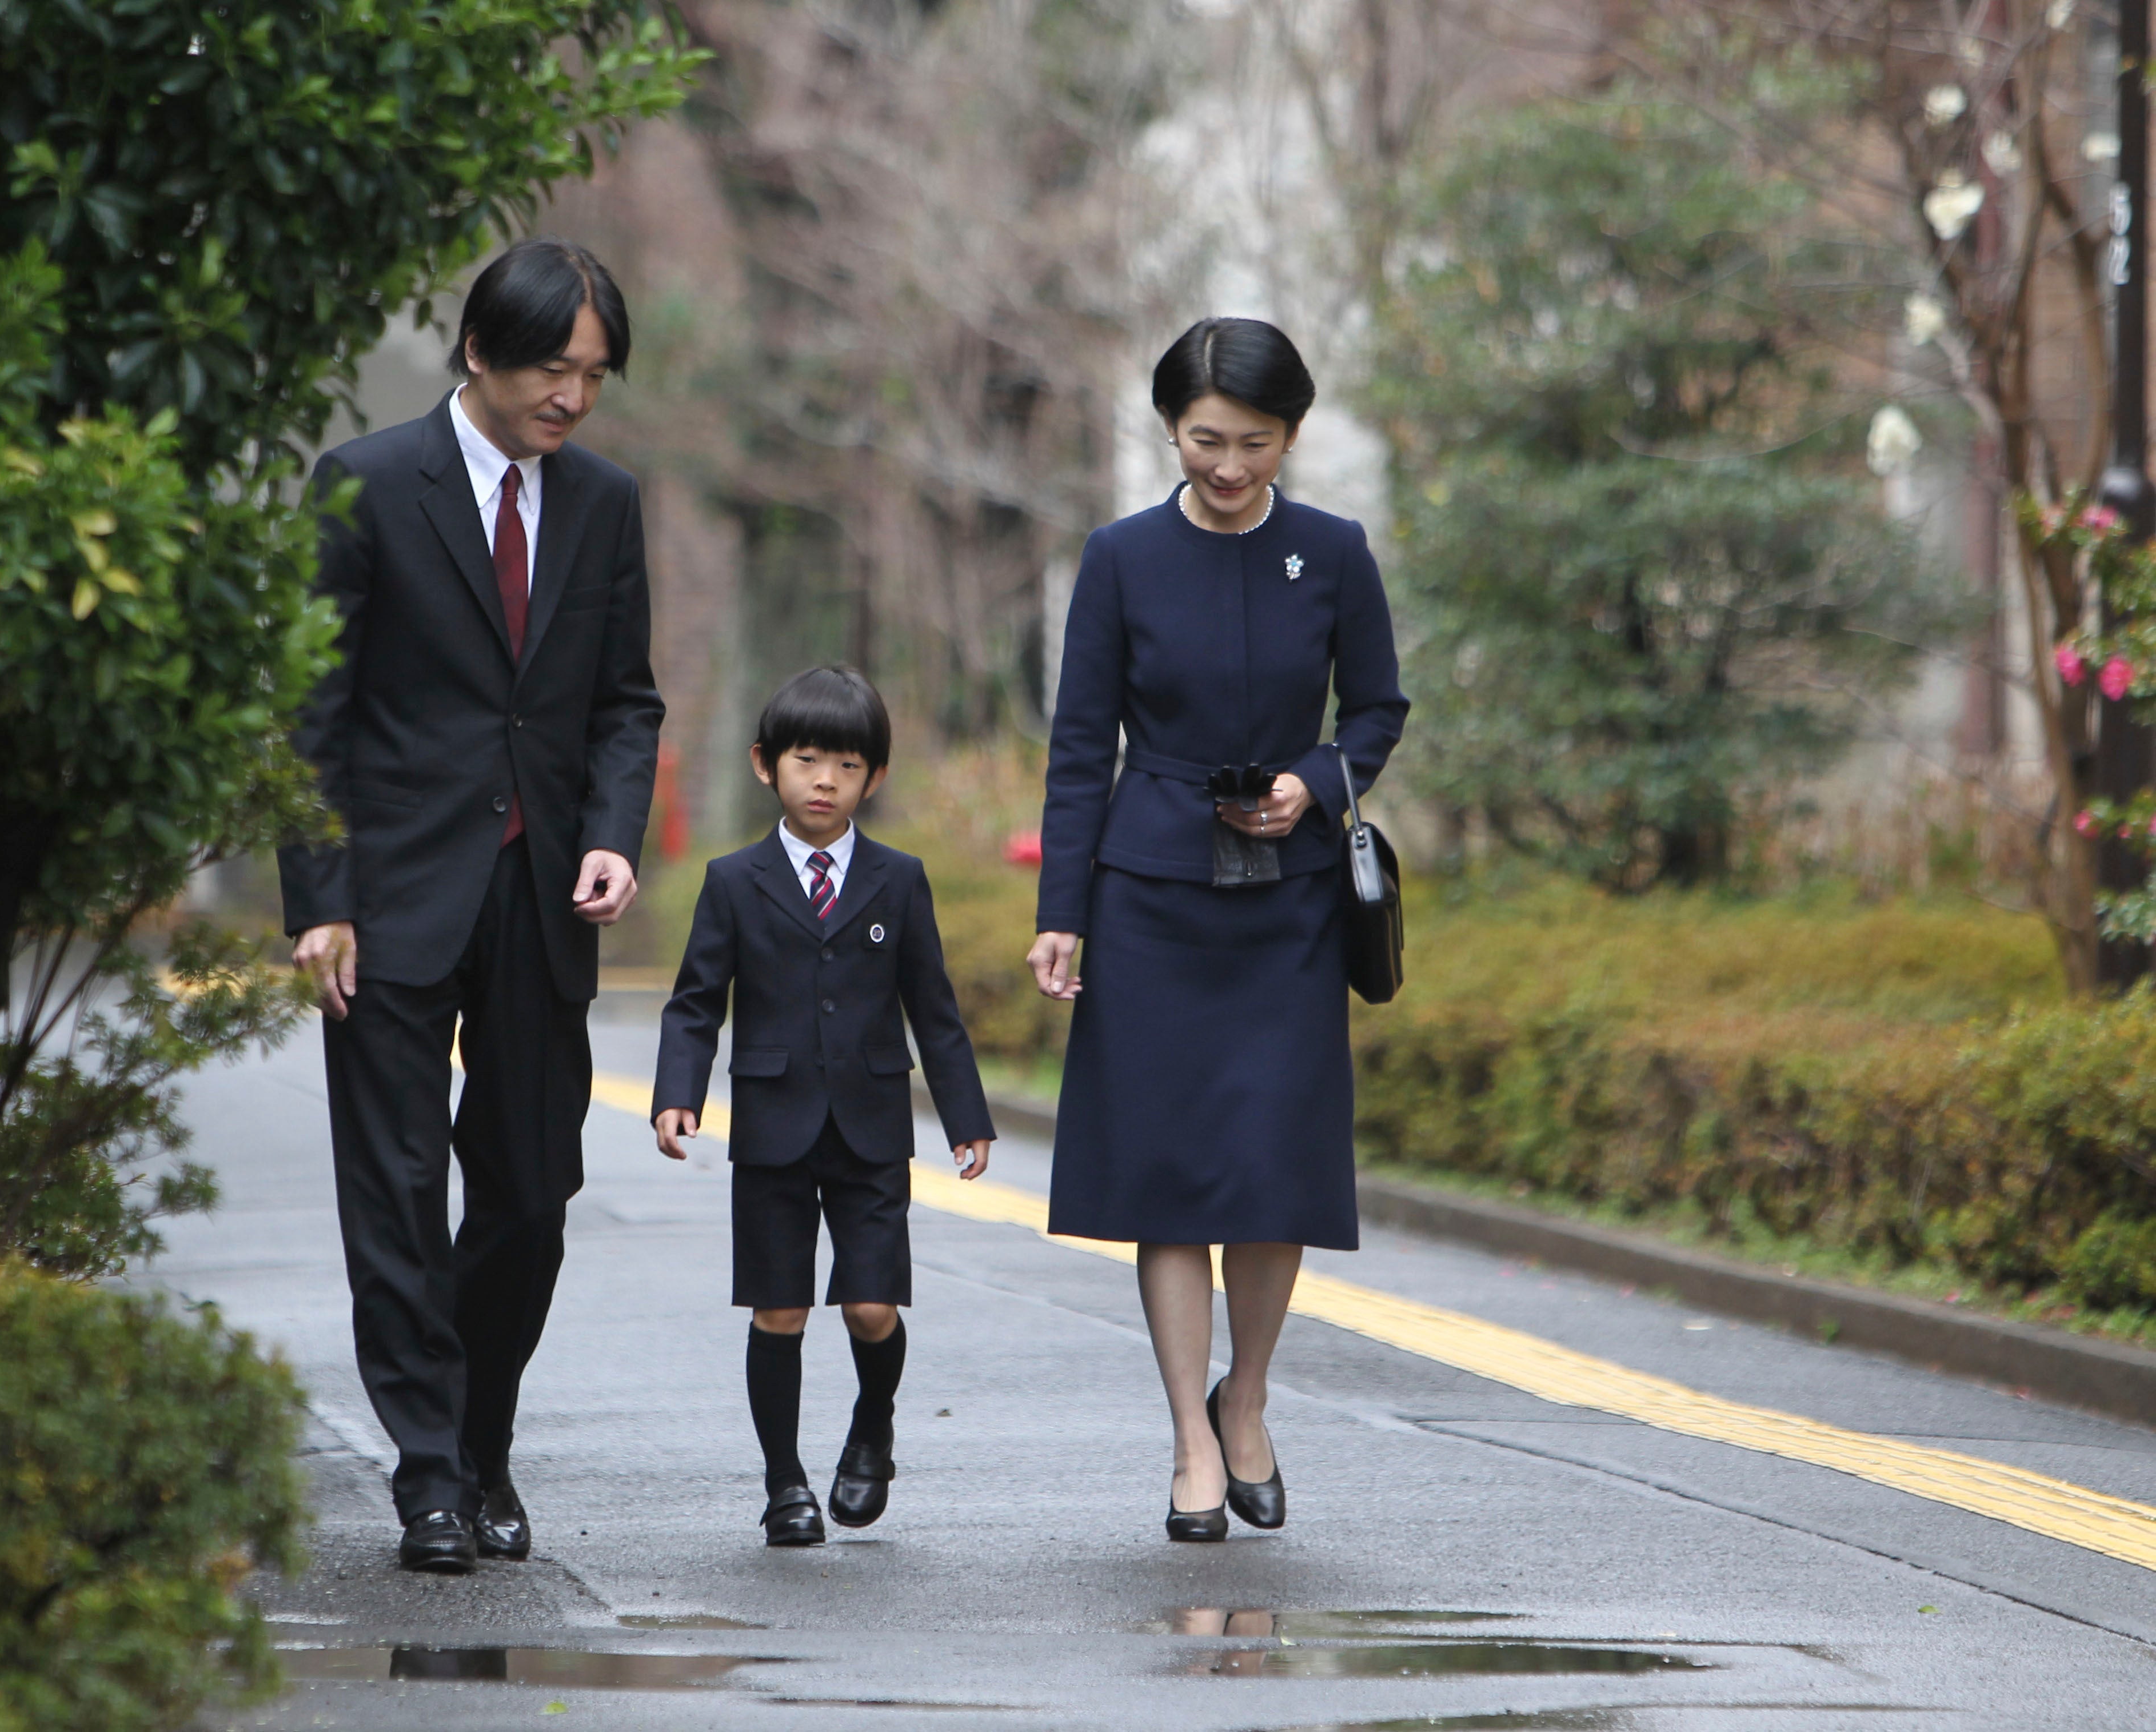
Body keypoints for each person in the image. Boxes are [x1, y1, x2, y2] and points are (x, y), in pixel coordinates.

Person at [281, 237, 664, 1575]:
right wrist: (318, 897)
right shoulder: (369, 485)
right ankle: (431, 1479)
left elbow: (626, 700)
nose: (572, 397)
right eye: (553, 368)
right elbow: (310, 715)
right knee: (394, 1190)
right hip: (386, 894)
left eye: (595, 375)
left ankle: (482, 1439)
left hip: (541, 892)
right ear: (479, 354)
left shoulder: (607, 503)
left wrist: (614, 834)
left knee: (528, 1190)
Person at [1027, 317, 1407, 1542]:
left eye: (1252, 442)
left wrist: (1318, 781)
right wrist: (1061, 917)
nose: (1228, 465)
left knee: (1273, 1175)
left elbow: (1378, 708)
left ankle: (1246, 1398)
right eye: (1204, 440)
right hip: (1152, 894)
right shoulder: (1122, 556)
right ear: (1171, 432)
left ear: (1289, 434)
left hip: (1288, 896)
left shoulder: (1334, 554)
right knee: (1171, 1179)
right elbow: (1083, 745)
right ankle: (1190, 1441)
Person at [652, 667, 996, 1546]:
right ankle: (784, 1485)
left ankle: (872, 1425)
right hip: (771, 1124)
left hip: (872, 1122)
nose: (824, 781)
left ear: (872, 778)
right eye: (806, 759)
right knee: (781, 1308)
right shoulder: (734, 880)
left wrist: (966, 1117)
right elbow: (696, 1001)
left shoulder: (899, 879)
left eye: (846, 764)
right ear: (767, 764)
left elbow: (934, 1007)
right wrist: (676, 1096)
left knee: (871, 1304)